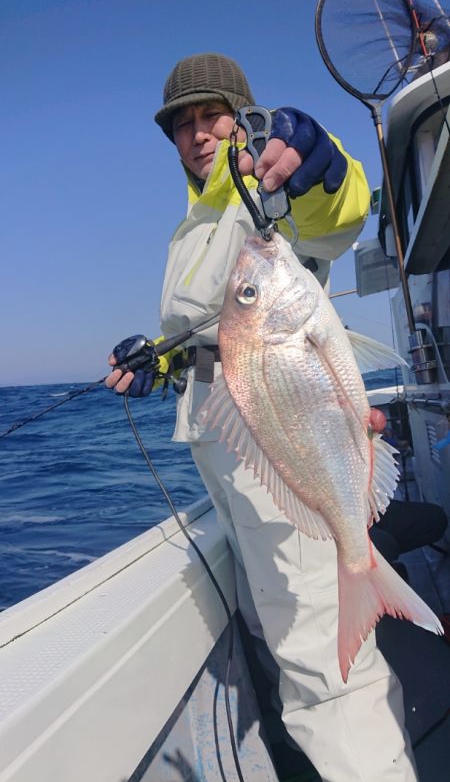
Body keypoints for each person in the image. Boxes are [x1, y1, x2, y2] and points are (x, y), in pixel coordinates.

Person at [106, 53, 419, 782]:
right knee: (283, 634)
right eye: (180, 124)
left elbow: (333, 213)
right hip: (231, 451)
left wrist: (321, 163)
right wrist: (162, 358)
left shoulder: (260, 187)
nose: (197, 134)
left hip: (281, 452)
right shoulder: (195, 221)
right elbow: (217, 336)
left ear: (243, 115)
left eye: (210, 113)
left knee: (325, 668)